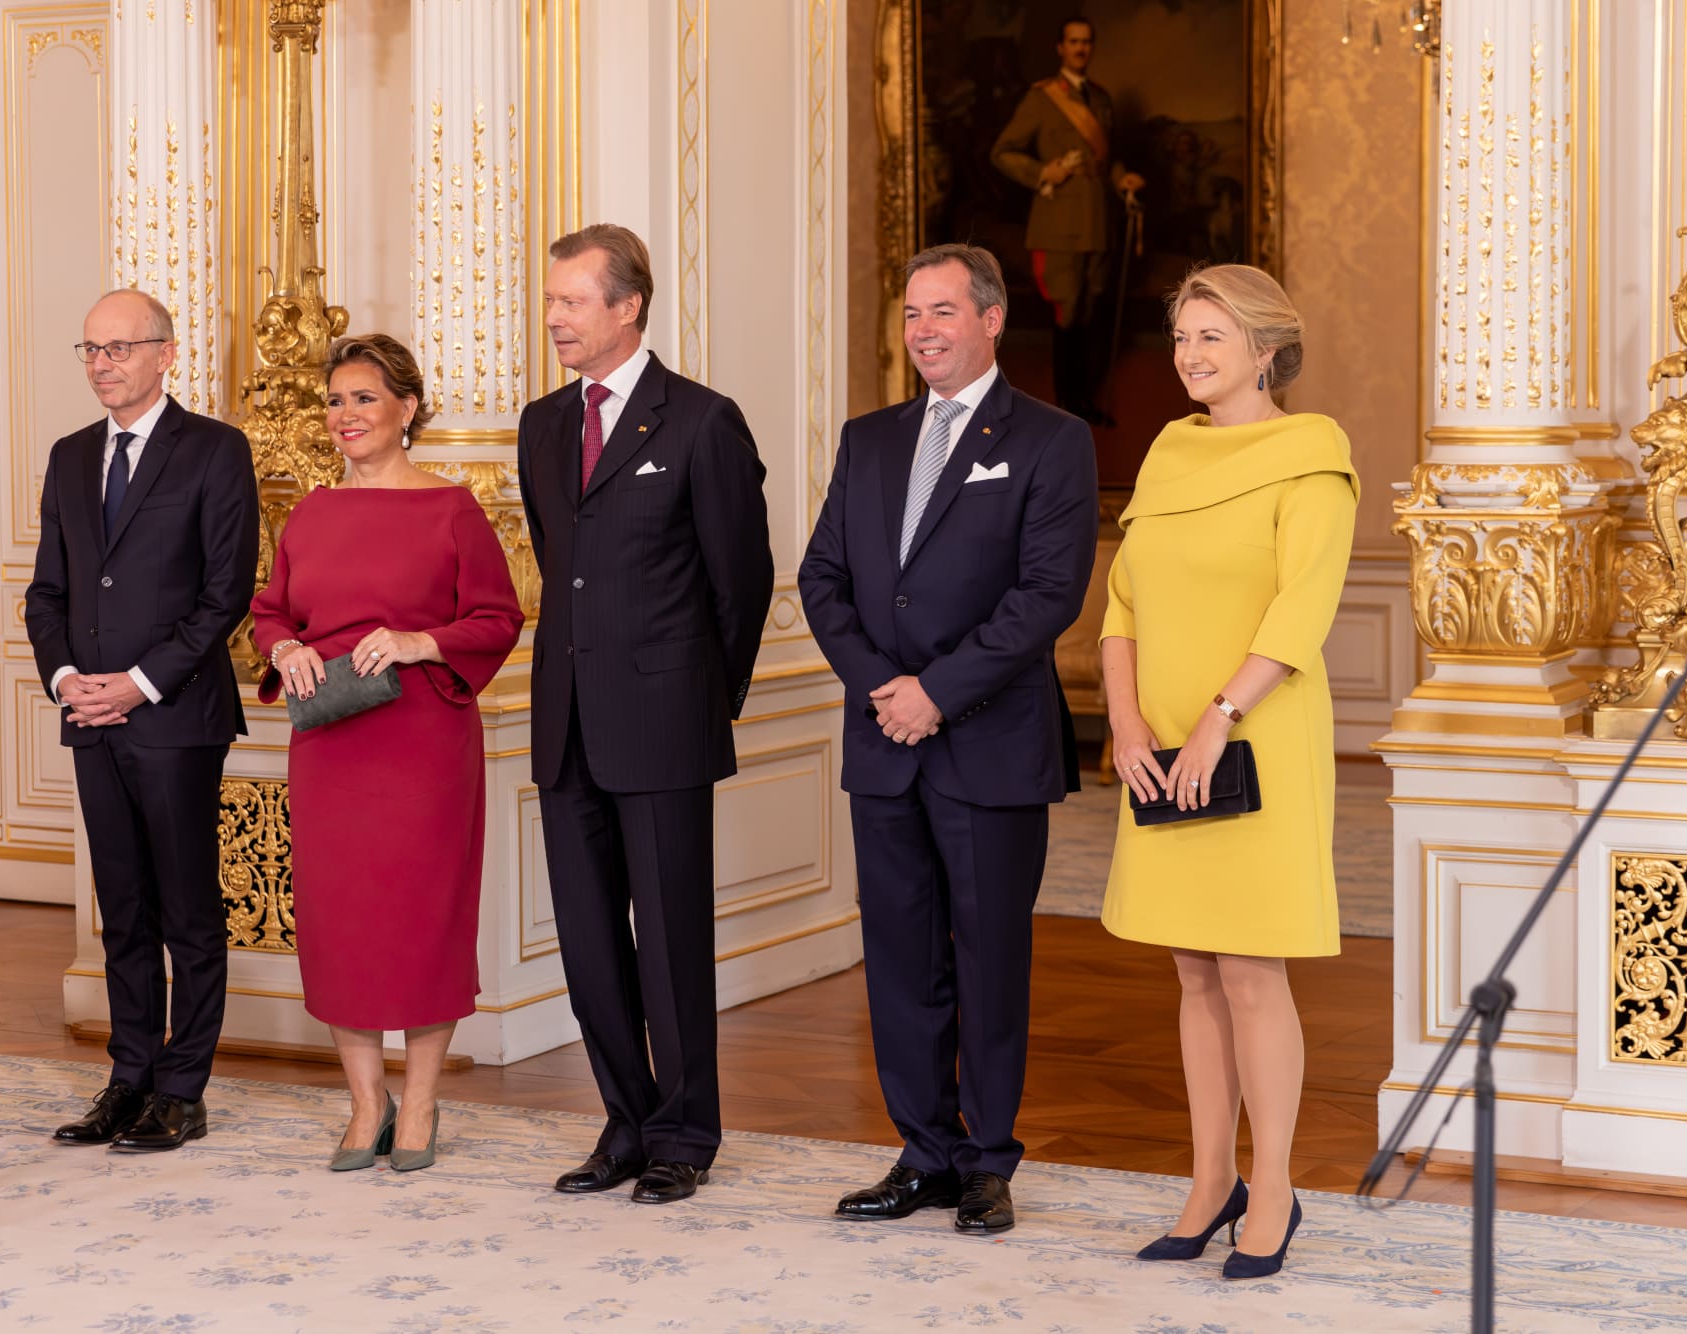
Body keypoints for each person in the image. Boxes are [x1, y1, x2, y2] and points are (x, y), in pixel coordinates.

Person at [798, 243, 1096, 1235]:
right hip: (885, 735)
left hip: (988, 742)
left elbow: (1046, 594)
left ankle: (985, 1159)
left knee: (986, 958)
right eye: (911, 315)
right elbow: (822, 579)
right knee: (899, 956)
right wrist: (884, 689)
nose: (922, 330)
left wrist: (938, 691)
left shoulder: (1050, 440)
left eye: (941, 312)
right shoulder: (869, 437)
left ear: (990, 318)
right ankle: (921, 1150)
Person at [1098, 263, 1357, 1279]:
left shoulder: (1310, 456)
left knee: (1250, 968)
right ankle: (1209, 1181)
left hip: (1255, 738)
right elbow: (1120, 601)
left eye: (1211, 336)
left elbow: (1299, 611)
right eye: (1179, 337)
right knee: (1189, 967)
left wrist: (1214, 721)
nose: (1189, 356)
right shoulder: (1164, 453)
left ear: (1264, 347)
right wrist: (1124, 723)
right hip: (1158, 740)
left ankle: (1276, 1186)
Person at [517, 223, 774, 1204]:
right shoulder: (542, 423)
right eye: (549, 301)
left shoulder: (701, 422)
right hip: (566, 723)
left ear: (627, 306)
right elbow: (560, 562)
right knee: (587, 943)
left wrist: (702, 700)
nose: (553, 317)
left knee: (668, 941)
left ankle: (683, 1131)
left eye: (570, 301)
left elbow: (738, 586)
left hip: (663, 721)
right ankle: (624, 1123)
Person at [249, 334, 523, 1172]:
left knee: (421, 921)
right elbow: (269, 611)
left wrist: (417, 642)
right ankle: (367, 1102)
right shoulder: (312, 512)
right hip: (332, 748)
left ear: (407, 408)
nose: (345, 416)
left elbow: (496, 619)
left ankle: (425, 1103)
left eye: (364, 398)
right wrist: (284, 648)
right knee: (343, 923)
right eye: (335, 400)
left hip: (422, 750)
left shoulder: (453, 510)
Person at [25, 288, 259, 1152]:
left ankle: (182, 1088)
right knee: (121, 907)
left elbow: (222, 593)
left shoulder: (214, 451)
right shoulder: (69, 454)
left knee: (188, 909)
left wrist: (138, 683)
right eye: (89, 349)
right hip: (89, 715)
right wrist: (68, 680)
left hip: (175, 717)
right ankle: (128, 1079)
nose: (102, 364)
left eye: (120, 348)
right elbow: (47, 593)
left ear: (166, 353)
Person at [991, 13, 1145, 423]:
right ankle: (1065, 408)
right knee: (1066, 319)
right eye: (1073, 42)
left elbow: (1104, 161)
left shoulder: (1101, 98)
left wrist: (1121, 179)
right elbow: (1002, 151)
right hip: (1059, 226)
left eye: (1086, 42)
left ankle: (1084, 404)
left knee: (1089, 316)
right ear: (1060, 48)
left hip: (1097, 225)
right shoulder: (1041, 98)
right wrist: (1044, 171)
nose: (1081, 48)